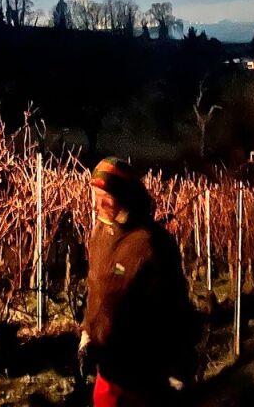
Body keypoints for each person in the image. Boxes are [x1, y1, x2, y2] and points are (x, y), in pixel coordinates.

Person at [79, 157, 199, 407]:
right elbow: (97, 288)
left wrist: (178, 367)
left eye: (106, 197)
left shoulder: (151, 244)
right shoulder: (100, 233)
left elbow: (174, 305)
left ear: (124, 196)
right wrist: (88, 333)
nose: (97, 205)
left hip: (144, 374)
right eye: (95, 195)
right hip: (109, 369)